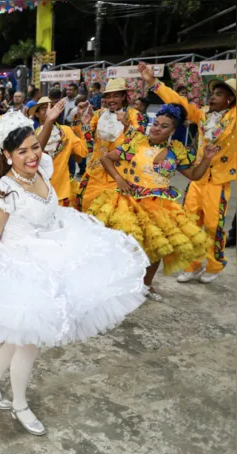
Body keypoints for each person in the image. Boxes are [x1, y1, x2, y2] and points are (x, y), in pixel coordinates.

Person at [0, 111, 149, 436]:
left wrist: (47, 122)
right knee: (28, 339)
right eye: (22, 151)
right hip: (20, 269)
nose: (32, 155)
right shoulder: (2, 191)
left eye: (35, 147)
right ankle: (19, 404)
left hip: (51, 255)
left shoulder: (41, 170)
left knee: (18, 334)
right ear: (7, 155)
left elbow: (45, 190)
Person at [91, 103, 216, 300]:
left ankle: (146, 285)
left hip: (160, 205)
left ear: (173, 131)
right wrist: (119, 178)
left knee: (155, 249)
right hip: (129, 202)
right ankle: (119, 284)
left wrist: (207, 159)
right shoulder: (137, 142)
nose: (156, 128)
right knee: (126, 246)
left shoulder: (177, 150)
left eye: (164, 126)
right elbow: (107, 159)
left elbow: (194, 175)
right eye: (155, 123)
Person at [138, 63, 236, 284]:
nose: (212, 98)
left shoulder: (235, 118)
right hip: (198, 178)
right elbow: (180, 102)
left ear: (230, 100)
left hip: (219, 182)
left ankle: (214, 264)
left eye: (219, 95)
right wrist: (154, 83)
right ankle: (192, 265)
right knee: (190, 222)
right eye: (212, 94)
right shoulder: (202, 115)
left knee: (213, 225)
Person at [72, 78, 145, 212]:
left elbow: (140, 144)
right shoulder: (98, 114)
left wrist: (126, 125)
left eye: (116, 95)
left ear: (123, 96)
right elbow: (87, 144)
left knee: (116, 214)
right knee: (87, 208)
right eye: (108, 96)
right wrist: (83, 122)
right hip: (95, 173)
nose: (111, 100)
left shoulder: (134, 116)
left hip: (121, 175)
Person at [31, 97, 87, 206]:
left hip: (63, 191)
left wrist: (83, 124)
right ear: (36, 114)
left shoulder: (66, 131)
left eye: (51, 107)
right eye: (43, 108)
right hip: (40, 193)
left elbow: (83, 152)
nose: (48, 110)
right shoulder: (32, 135)